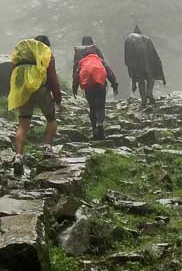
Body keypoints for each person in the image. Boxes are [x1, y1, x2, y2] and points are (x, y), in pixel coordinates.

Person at [8, 35, 62, 178]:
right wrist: (58, 99)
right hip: (41, 89)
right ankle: (47, 148)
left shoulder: (23, 55)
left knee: (23, 124)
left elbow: (14, 72)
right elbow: (53, 79)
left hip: (23, 90)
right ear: (47, 45)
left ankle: (18, 156)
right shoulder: (47, 54)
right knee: (51, 119)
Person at [72, 36, 119, 140]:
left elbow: (76, 75)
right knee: (101, 106)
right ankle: (100, 124)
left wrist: (74, 88)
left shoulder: (82, 61)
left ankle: (94, 130)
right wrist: (114, 85)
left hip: (89, 87)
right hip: (101, 85)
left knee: (92, 108)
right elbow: (109, 72)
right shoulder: (99, 59)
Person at [124, 25, 166, 107]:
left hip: (135, 62)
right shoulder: (147, 39)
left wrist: (132, 74)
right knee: (151, 78)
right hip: (147, 61)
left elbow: (127, 55)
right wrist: (157, 65)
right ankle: (149, 92)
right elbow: (154, 54)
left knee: (140, 80)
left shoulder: (129, 39)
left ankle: (143, 99)